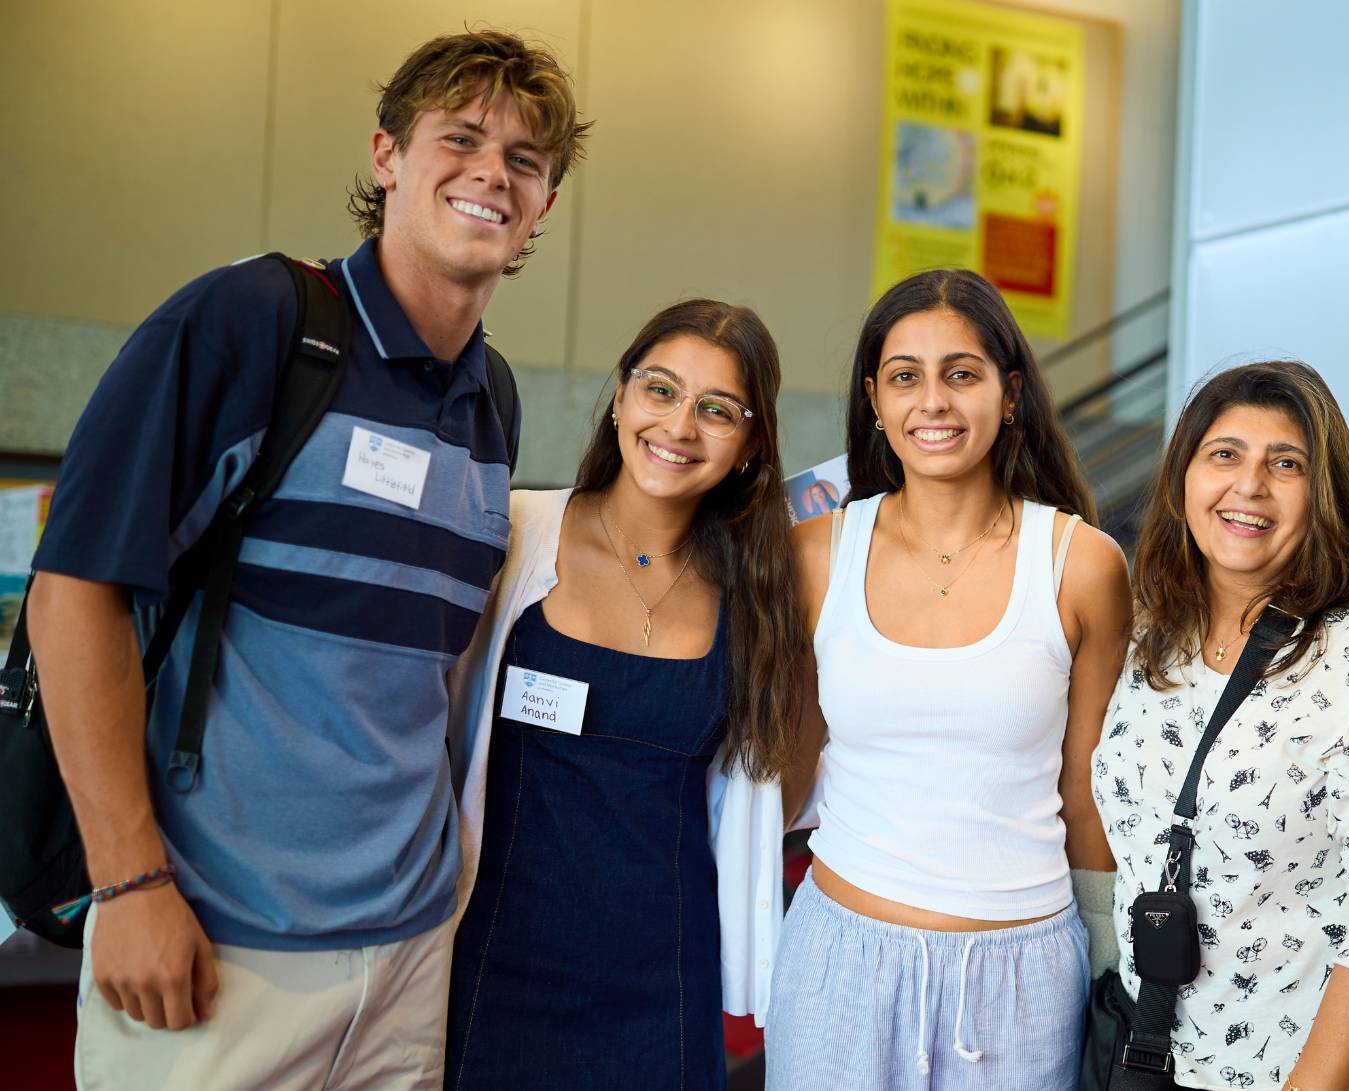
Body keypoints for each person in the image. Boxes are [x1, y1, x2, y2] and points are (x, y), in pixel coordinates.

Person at [24, 31, 585, 1090]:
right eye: (460, 139)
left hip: (411, 955)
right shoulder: (253, 322)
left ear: (544, 203)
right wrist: (128, 881)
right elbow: (73, 595)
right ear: (386, 155)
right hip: (217, 945)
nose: (492, 174)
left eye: (524, 160)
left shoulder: (492, 400)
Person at [765, 268, 1133, 1089]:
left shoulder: (1082, 565)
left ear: (1010, 394)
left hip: (1023, 982)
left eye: (961, 373)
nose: (933, 401)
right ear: (874, 400)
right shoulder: (814, 555)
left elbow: (1087, 790)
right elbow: (787, 766)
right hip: (838, 968)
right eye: (905, 377)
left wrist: (1110, 958)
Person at [443, 299, 805, 1089]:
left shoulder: (759, 598)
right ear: (619, 397)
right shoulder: (511, 533)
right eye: (660, 389)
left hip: (660, 988)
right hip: (490, 966)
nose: (679, 426)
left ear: (750, 446)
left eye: (718, 410)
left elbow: (786, 784)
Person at [1095, 361, 1349, 1091]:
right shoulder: (1155, 636)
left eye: (1286, 464)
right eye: (1224, 454)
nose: (1249, 485)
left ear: (1322, 496)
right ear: (1182, 479)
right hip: (1157, 1053)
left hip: (1314, 1071)